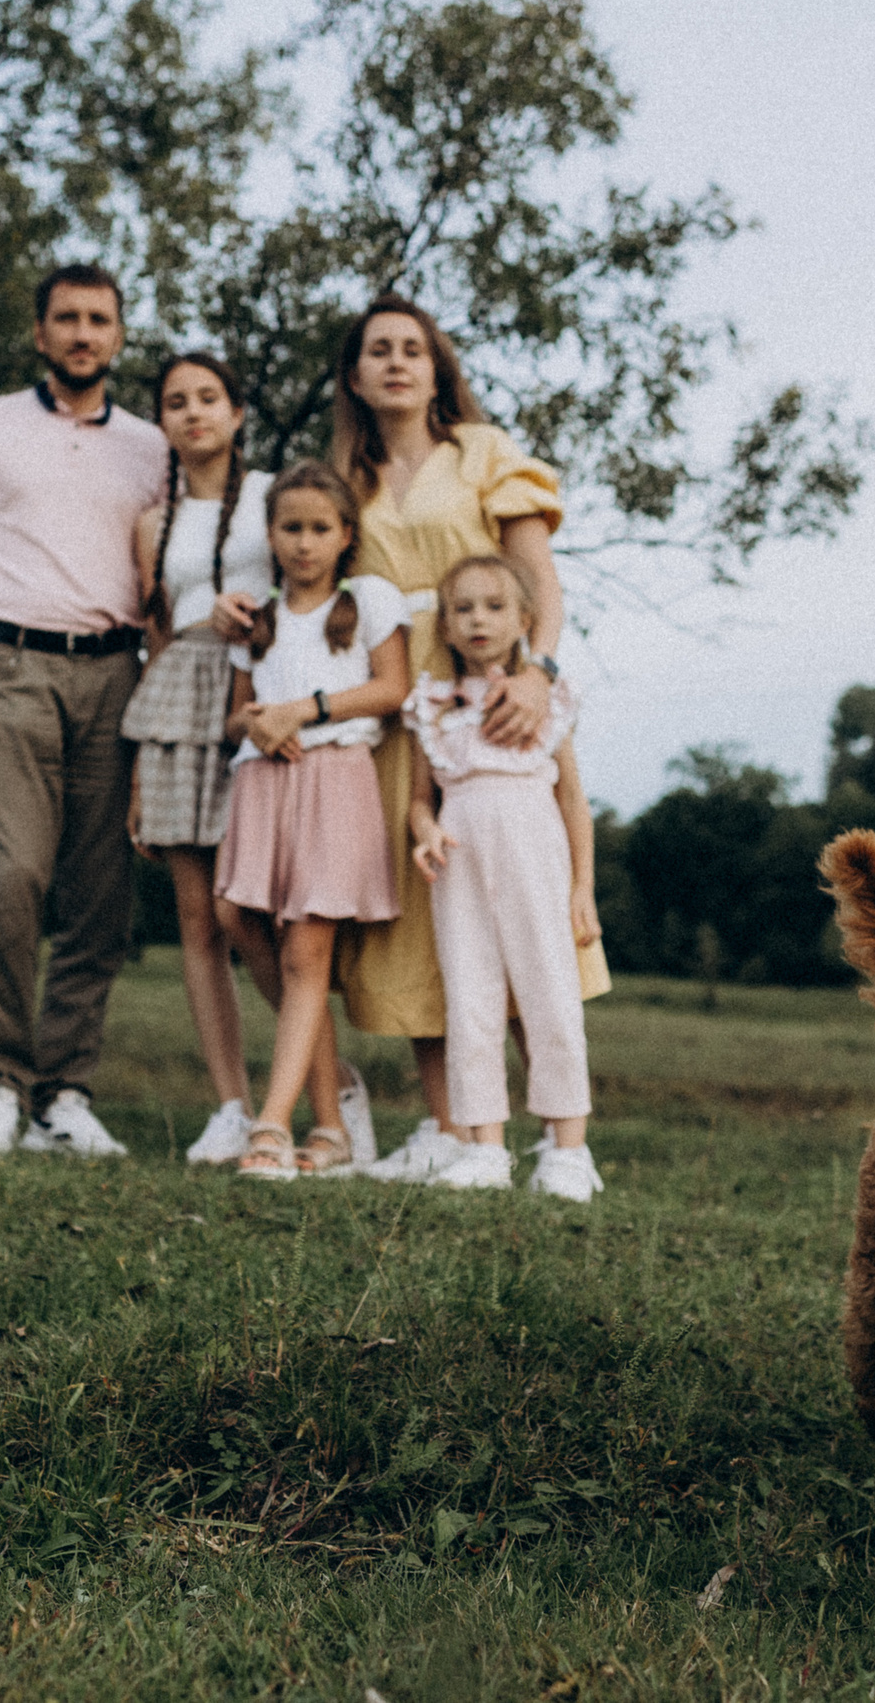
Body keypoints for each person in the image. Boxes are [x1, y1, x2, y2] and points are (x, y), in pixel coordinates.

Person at [218, 294, 608, 1181]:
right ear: (354, 375)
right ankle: (449, 1124)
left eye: (412, 349)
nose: (396, 362)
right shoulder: (342, 478)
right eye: (376, 350)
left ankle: (558, 1132)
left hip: (485, 684)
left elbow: (538, 580)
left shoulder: (485, 455)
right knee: (424, 918)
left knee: (518, 903)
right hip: (387, 708)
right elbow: (297, 580)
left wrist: (535, 673)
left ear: (437, 368)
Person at [0, 262, 167, 1159]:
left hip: (115, 673)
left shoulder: (151, 447)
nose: (82, 333)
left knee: (101, 896)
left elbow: (163, 575)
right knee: (12, 880)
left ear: (118, 334)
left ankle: (63, 1093)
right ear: (39, 333)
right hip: (8, 663)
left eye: (99, 319)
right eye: (66, 318)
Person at [213, 461, 411, 1180]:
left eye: (319, 528)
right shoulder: (257, 614)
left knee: (306, 955)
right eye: (291, 528)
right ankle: (334, 1115)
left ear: (346, 535)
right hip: (263, 783)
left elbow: (393, 687)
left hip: (333, 781)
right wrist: (260, 722)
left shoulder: (368, 600)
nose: (304, 543)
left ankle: (275, 1126)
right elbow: (237, 711)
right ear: (270, 534)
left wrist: (310, 709)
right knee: (233, 915)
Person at [120, 353, 281, 1164]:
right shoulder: (154, 520)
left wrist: (255, 619)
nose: (193, 414)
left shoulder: (272, 495)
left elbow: (319, 587)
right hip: (180, 700)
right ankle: (230, 1103)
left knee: (247, 911)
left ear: (238, 412)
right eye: (176, 403)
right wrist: (142, 781)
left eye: (208, 398)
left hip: (255, 696)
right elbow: (156, 631)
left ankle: (318, 1089)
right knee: (196, 918)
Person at [406, 555, 605, 1199]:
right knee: (471, 998)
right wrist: (426, 832)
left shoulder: (548, 702)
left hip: (534, 856)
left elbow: (574, 800)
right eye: (462, 608)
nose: (478, 620)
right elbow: (418, 800)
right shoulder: (432, 707)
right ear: (445, 624)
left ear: (524, 619)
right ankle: (485, 1148)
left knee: (550, 993)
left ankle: (568, 1150)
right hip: (460, 862)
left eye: (494, 606)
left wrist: (583, 889)